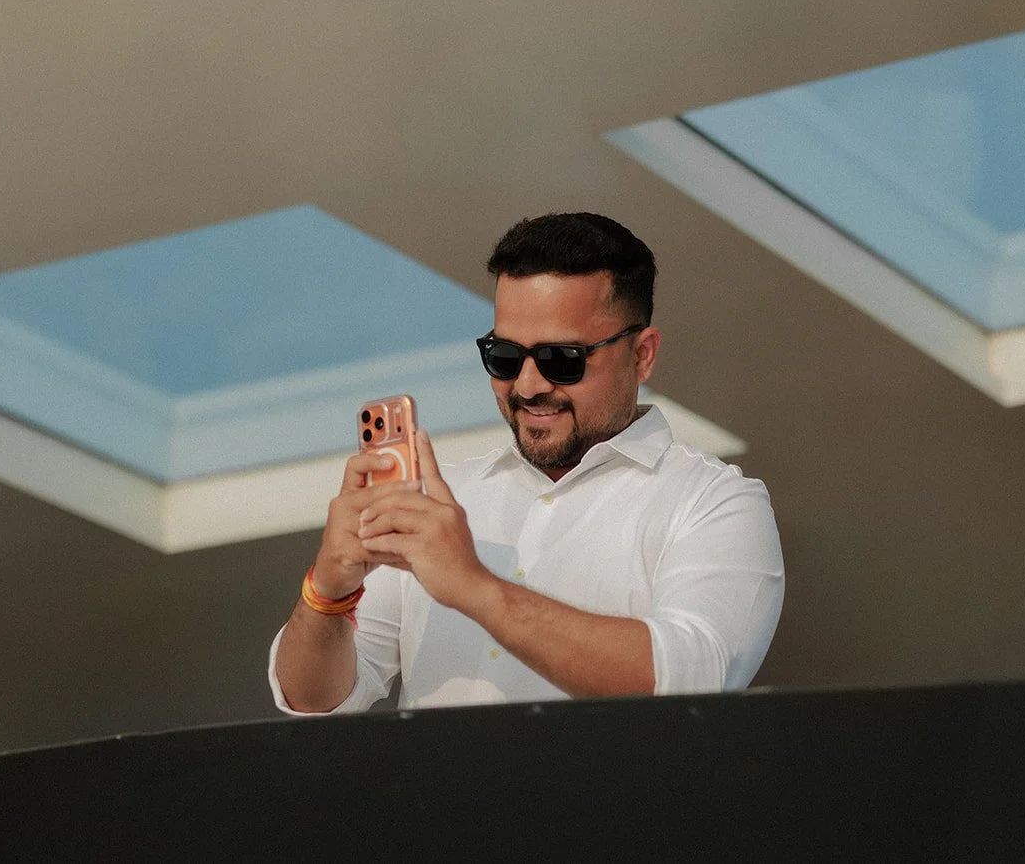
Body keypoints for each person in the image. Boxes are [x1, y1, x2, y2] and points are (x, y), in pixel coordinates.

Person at [269, 212, 783, 713]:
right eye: (505, 356)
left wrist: (474, 587)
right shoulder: (438, 502)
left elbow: (692, 679)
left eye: (563, 359)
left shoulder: (712, 500)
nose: (529, 386)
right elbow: (314, 702)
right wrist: (329, 591)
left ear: (642, 354)